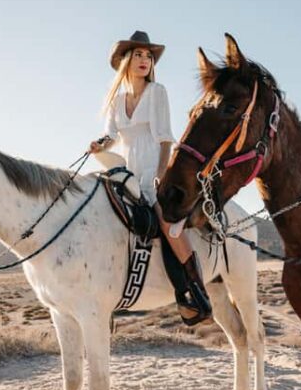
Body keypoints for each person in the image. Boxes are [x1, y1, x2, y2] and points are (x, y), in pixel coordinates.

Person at [89, 30, 212, 326]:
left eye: (149, 56)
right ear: (126, 61)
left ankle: (194, 290)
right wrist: (100, 145)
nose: (145, 60)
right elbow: (112, 135)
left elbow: (164, 138)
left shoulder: (157, 93)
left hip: (153, 166)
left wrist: (160, 174)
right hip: (125, 169)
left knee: (167, 221)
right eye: (139, 55)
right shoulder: (117, 99)